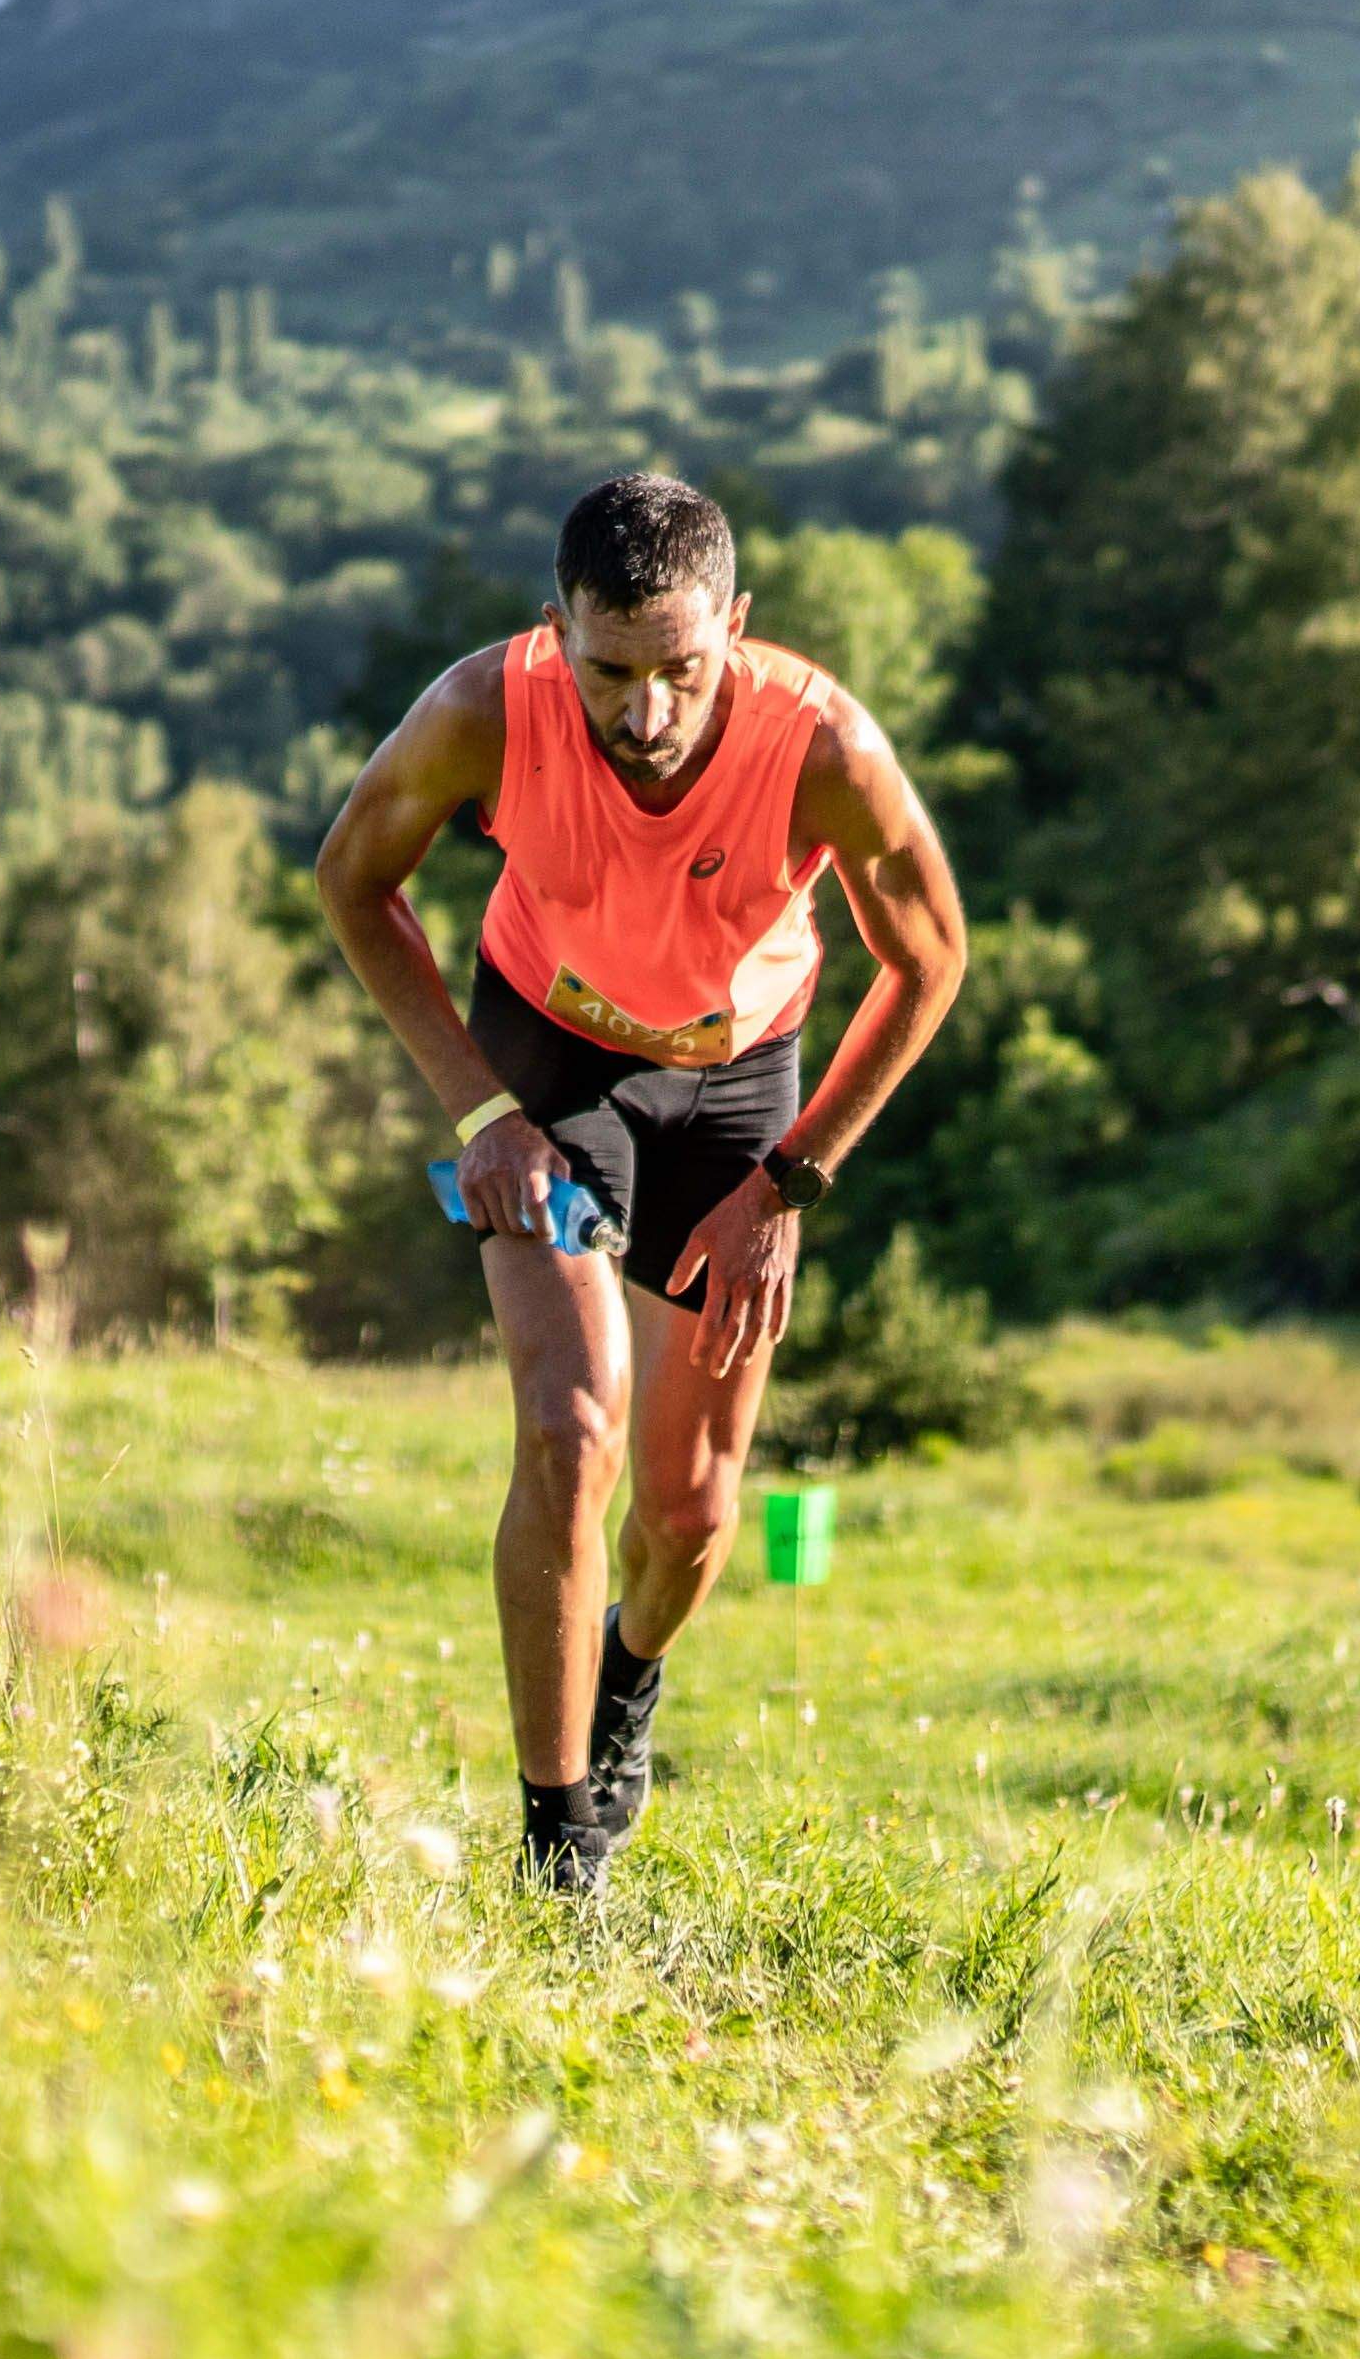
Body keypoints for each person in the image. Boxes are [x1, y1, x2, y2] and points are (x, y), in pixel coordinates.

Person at [315, 471, 970, 1895]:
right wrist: (481, 1110)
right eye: (612, 672)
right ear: (557, 632)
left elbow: (933, 961)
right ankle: (558, 1855)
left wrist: (789, 1185)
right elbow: (351, 880)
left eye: (682, 668)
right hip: (546, 1065)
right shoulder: (486, 711)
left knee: (689, 1513)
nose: (649, 711)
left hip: (740, 1096)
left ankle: (628, 1678)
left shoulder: (823, 747)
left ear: (734, 625)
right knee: (569, 1425)